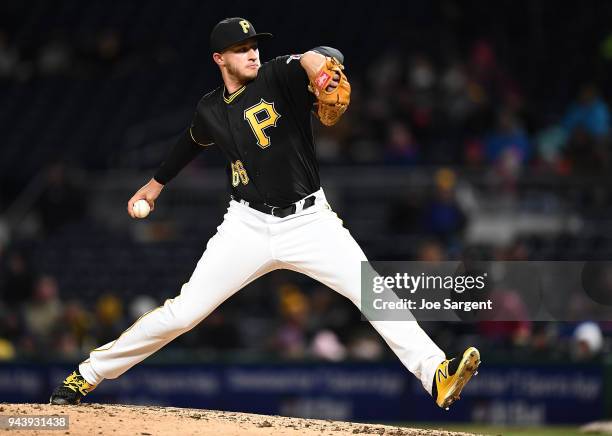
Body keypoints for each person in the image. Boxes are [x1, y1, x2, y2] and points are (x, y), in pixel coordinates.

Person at [50, 17, 480, 410]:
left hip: (310, 221)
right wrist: (156, 184)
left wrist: (317, 70)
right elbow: (191, 140)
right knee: (182, 313)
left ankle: (435, 374)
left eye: (254, 44)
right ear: (220, 59)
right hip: (247, 226)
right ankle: (86, 375)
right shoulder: (210, 110)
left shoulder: (277, 75)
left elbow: (316, 55)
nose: (252, 52)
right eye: (241, 48)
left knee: (373, 293)